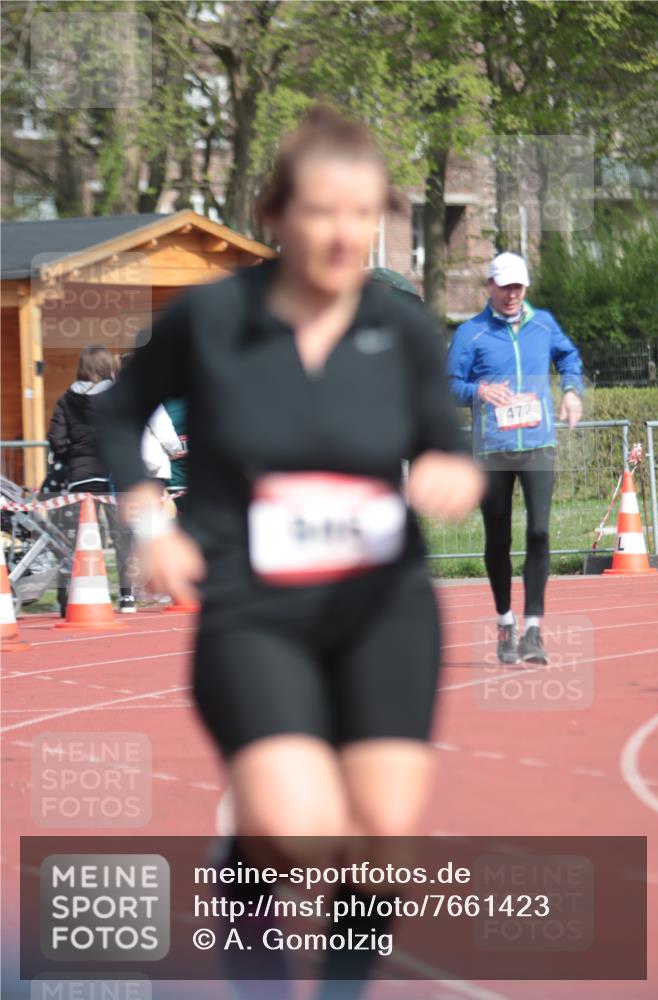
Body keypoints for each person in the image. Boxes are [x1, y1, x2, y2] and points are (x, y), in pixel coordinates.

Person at [97, 105, 484, 1000]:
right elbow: (120, 412)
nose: (343, 234)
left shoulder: (400, 327)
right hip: (254, 608)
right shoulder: (212, 318)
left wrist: (448, 473)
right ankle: (243, 872)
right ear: (276, 215)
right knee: (301, 833)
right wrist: (149, 517)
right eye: (321, 211)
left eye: (361, 213)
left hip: (383, 604)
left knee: (380, 840)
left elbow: (442, 442)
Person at [447, 251, 583, 664]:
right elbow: (448, 384)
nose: (511, 294)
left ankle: (533, 631)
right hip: (493, 451)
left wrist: (572, 390)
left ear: (526, 288)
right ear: (489, 286)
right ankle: (505, 622)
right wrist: (478, 392)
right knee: (499, 538)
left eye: (518, 287)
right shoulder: (470, 334)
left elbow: (569, 356)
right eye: (504, 286)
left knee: (540, 532)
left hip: (538, 444)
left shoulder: (543, 323)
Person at [47, 345, 136, 613]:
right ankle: (127, 596)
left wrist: (71, 454)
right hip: (112, 471)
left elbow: (56, 439)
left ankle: (74, 593)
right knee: (121, 534)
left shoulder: (65, 399)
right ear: (106, 366)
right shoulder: (117, 395)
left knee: (80, 536)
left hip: (80, 474)